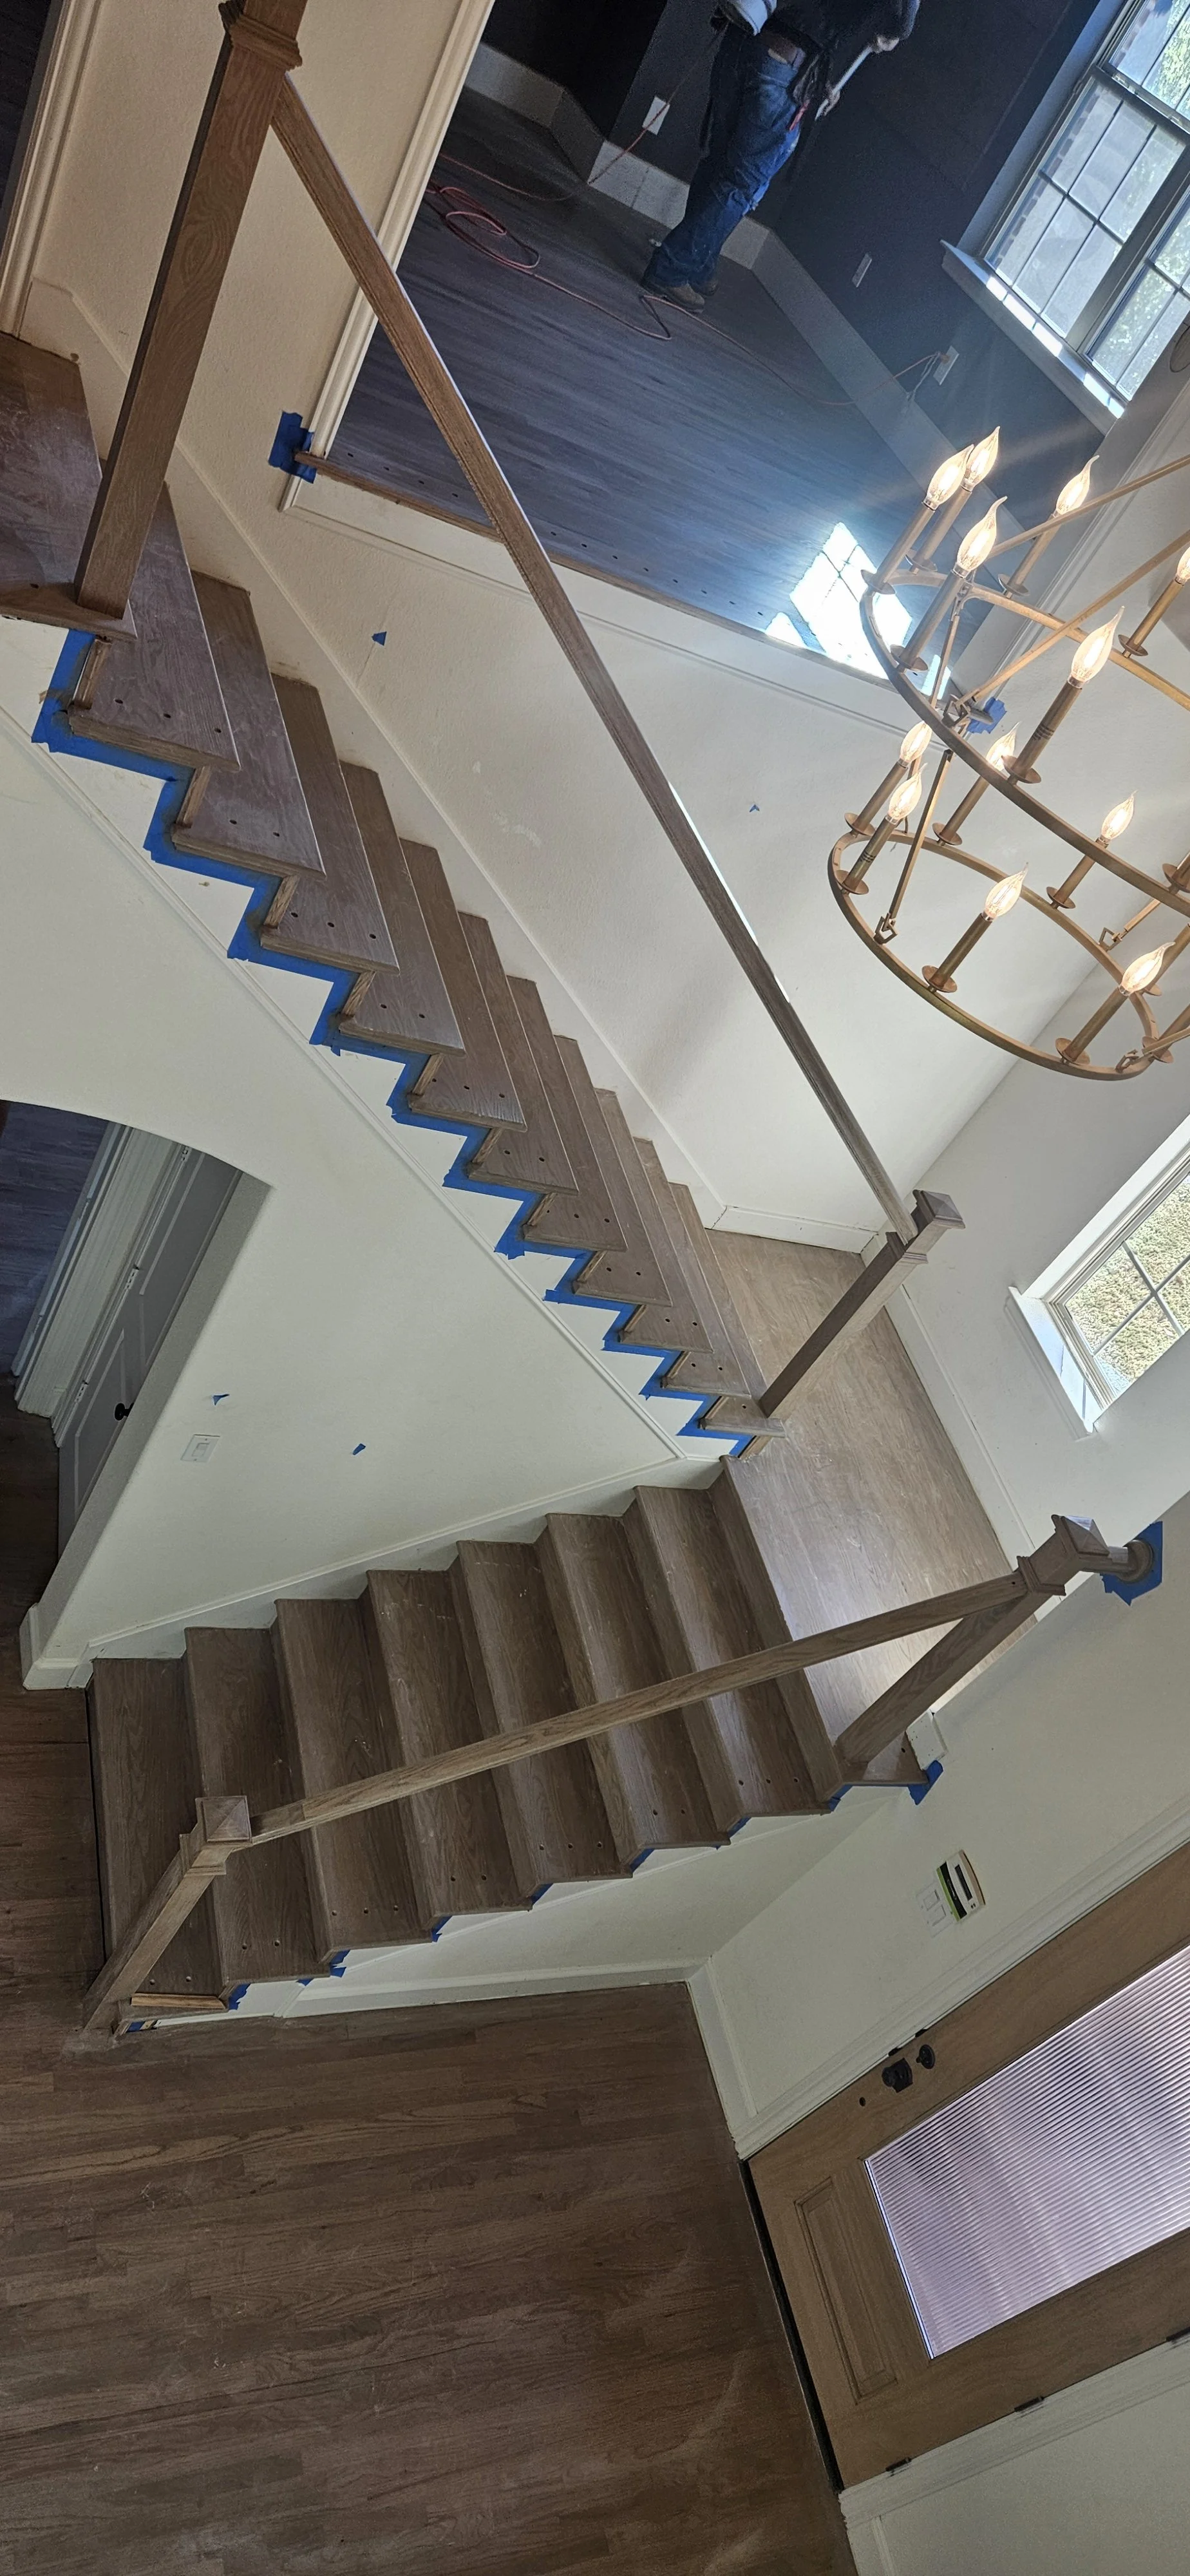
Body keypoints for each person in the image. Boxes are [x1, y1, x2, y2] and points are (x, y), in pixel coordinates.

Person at [641, 0, 920, 309]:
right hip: (784, 65)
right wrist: (894, 33)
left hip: (743, 36)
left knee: (720, 161)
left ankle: (700, 263)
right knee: (741, 182)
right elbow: (902, 17)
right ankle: (673, 268)